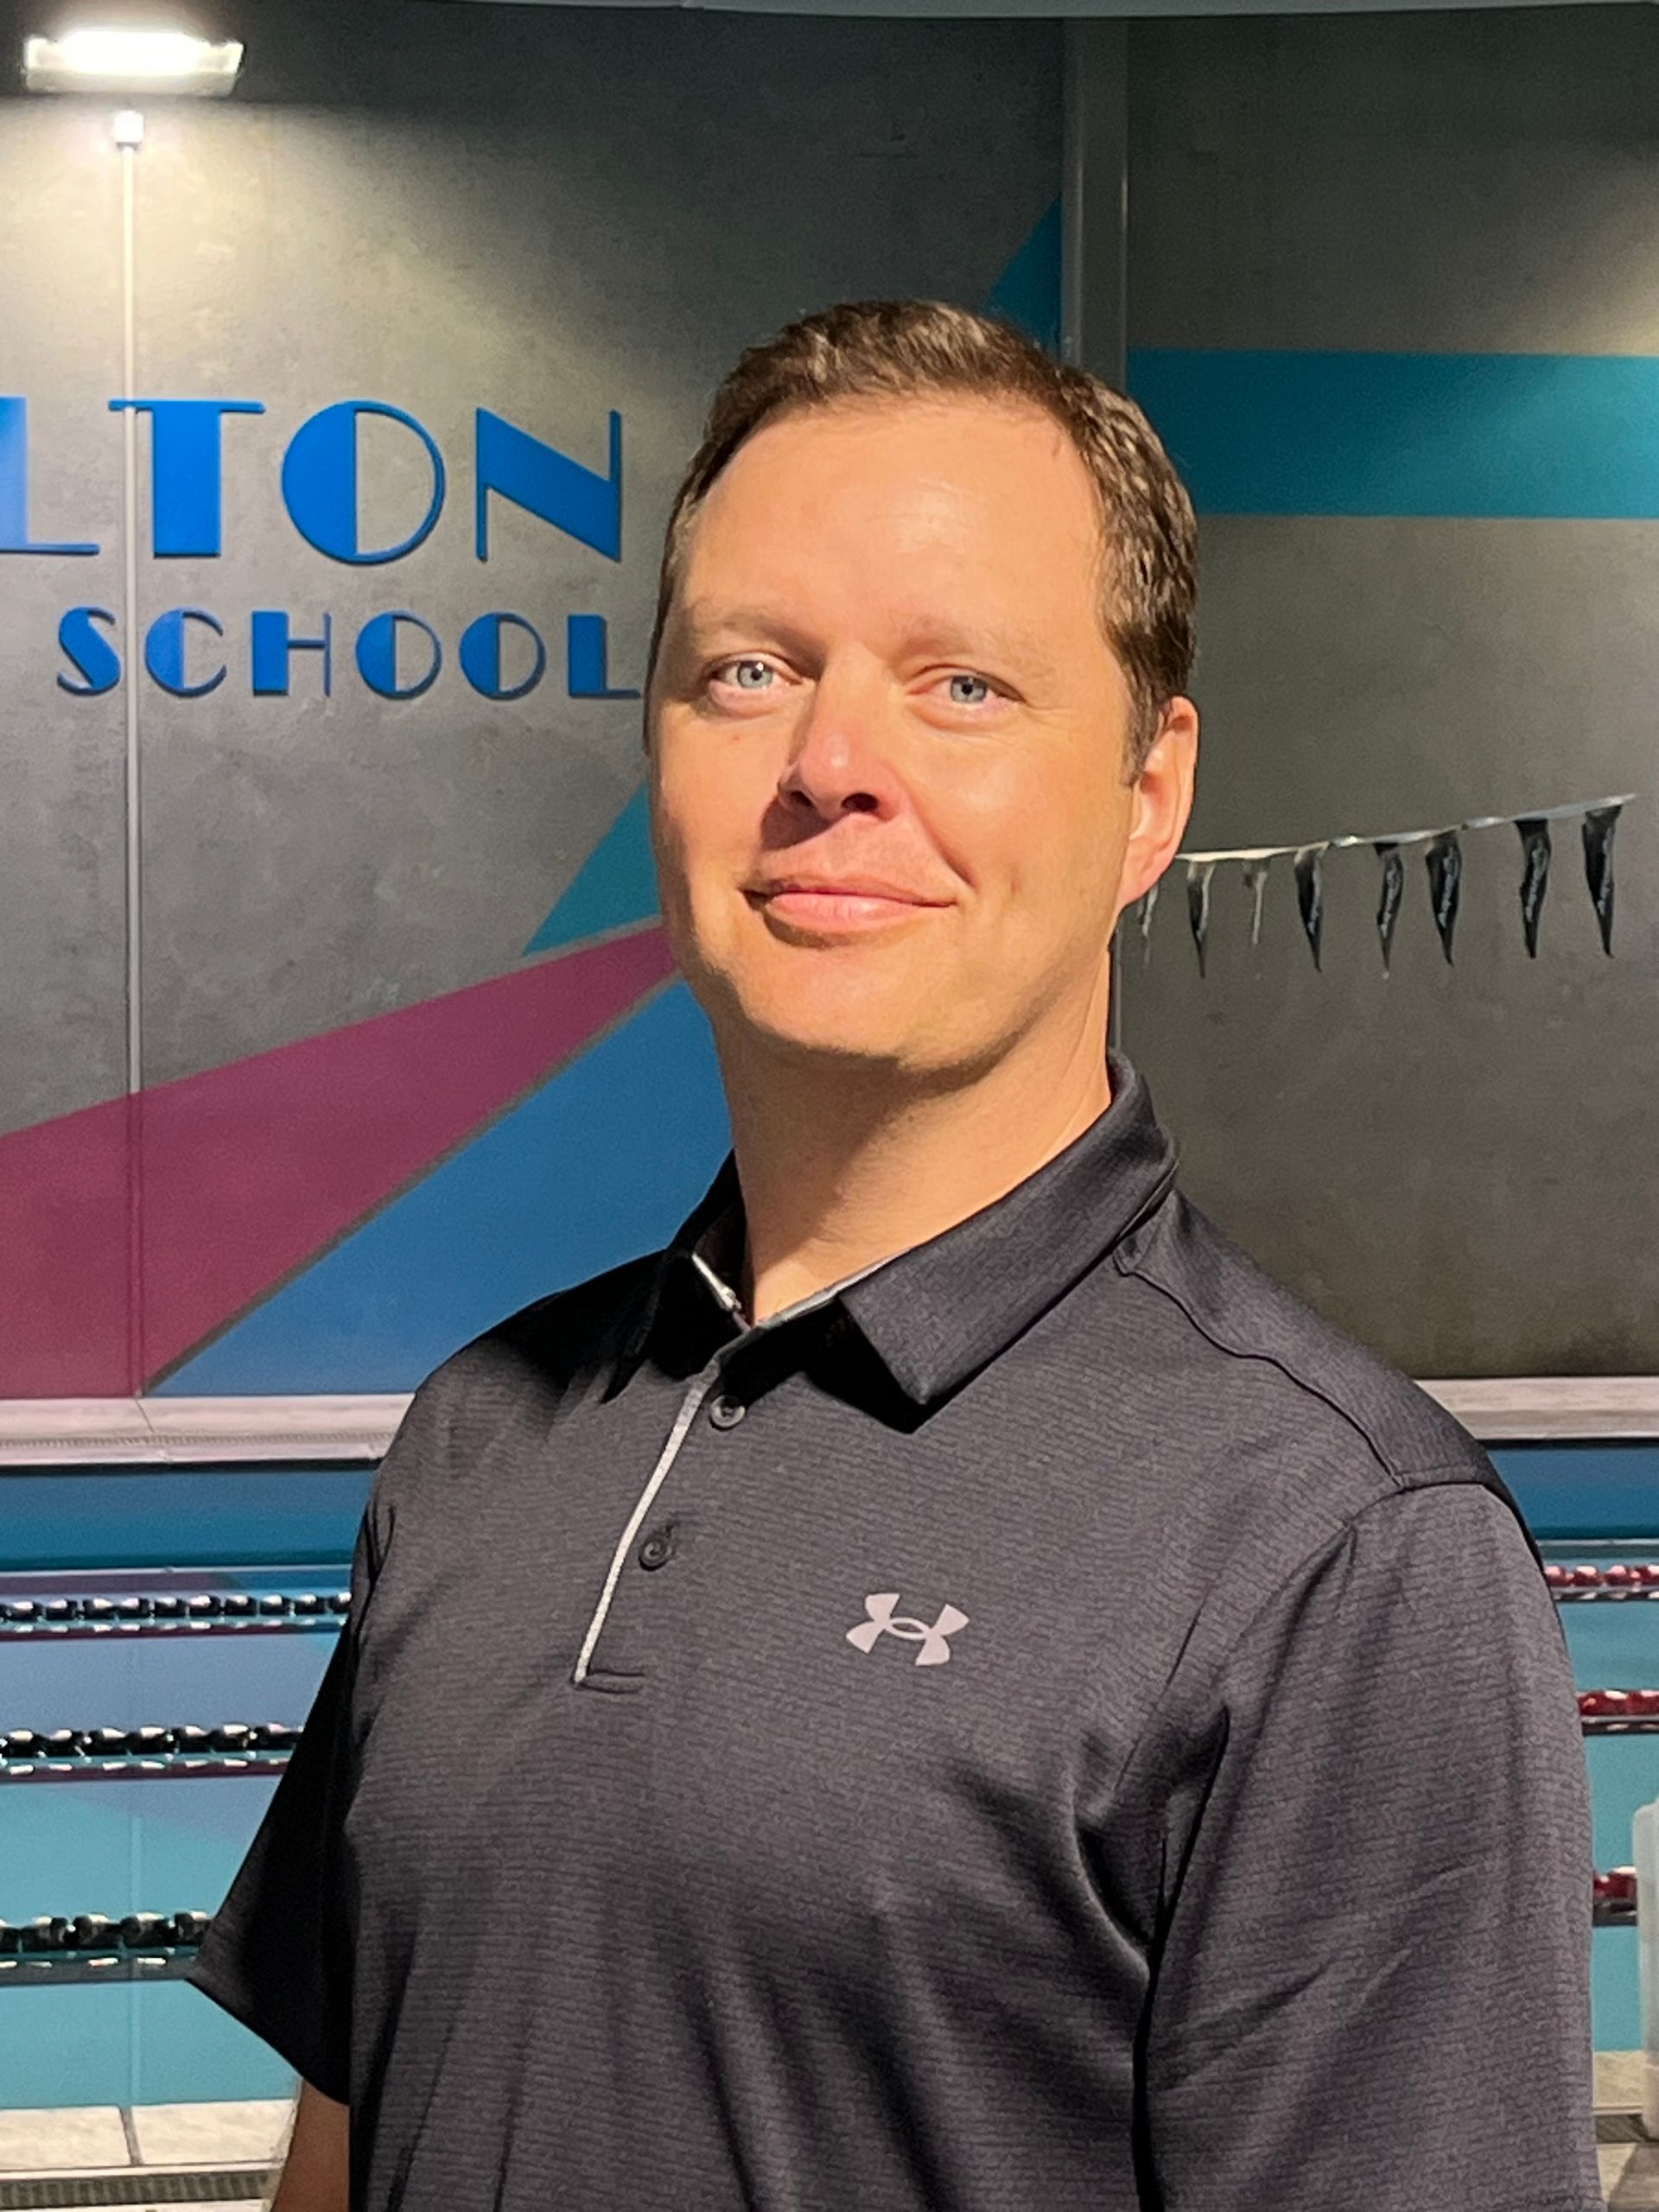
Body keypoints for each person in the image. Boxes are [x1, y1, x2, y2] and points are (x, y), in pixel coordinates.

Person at [189, 298, 1601, 2212]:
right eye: (748, 669)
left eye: (961, 685)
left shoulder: (1340, 1552)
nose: (830, 758)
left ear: (1150, 793)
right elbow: (340, 2159)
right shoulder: (479, 1442)